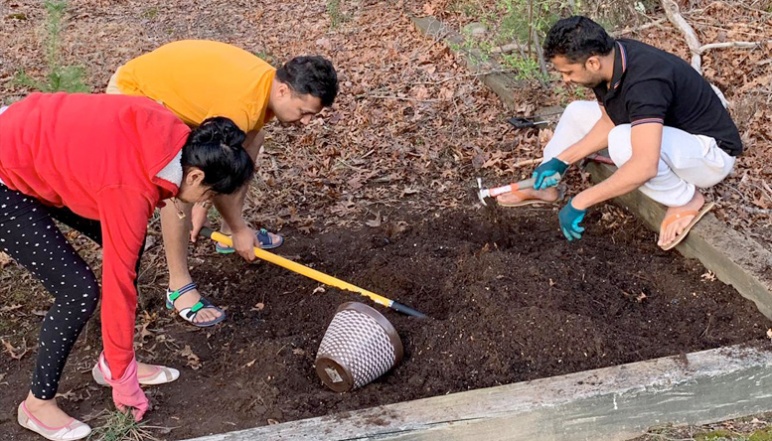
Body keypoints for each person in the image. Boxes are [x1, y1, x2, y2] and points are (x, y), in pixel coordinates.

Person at [0, 92, 254, 440]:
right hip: (6, 174)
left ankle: (110, 363)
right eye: (209, 196)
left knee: (128, 244)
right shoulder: (129, 189)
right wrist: (126, 385)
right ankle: (37, 405)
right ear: (194, 176)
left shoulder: (173, 134)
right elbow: (119, 288)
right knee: (78, 291)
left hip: (38, 146)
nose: (204, 204)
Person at [106, 40, 339, 326]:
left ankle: (228, 230)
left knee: (253, 139)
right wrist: (231, 221)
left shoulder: (267, 86)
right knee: (179, 180)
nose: (305, 122)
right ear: (284, 90)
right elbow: (212, 166)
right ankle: (178, 287)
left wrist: (208, 204)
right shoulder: (241, 106)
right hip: (134, 95)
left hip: (173, 94)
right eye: (304, 112)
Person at [496, 16, 742, 250]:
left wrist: (580, 202)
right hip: (673, 135)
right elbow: (608, 120)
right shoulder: (613, 60)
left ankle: (684, 199)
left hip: (709, 154)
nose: (566, 80)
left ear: (592, 62)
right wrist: (560, 161)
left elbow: (645, 166)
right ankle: (545, 187)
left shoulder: (646, 82)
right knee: (575, 112)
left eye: (568, 72)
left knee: (623, 141)